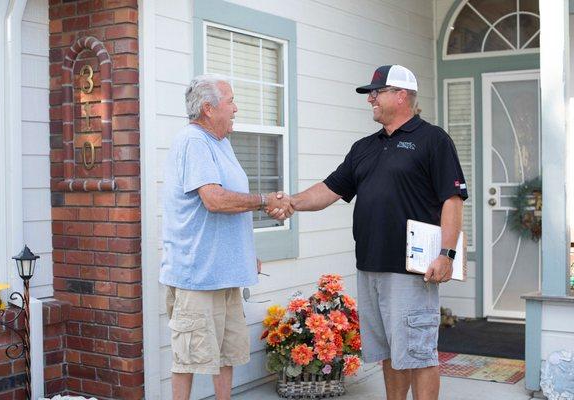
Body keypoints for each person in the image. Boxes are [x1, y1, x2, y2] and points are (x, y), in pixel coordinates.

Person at [272, 65, 468, 400]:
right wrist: (292, 201)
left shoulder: (433, 140)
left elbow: (451, 199)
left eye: (377, 92)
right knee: (389, 352)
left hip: (411, 270)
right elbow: (331, 189)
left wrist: (446, 254)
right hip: (370, 266)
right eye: (370, 94)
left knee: (419, 354)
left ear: (401, 95)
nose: (371, 99)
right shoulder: (364, 147)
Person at [160, 74, 293, 400]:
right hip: (197, 276)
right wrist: (264, 201)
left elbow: (232, 203)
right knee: (187, 359)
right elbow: (215, 199)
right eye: (230, 101)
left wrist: (246, 251)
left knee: (227, 355)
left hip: (226, 273)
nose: (236, 108)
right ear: (208, 108)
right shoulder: (193, 142)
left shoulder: (221, 142)